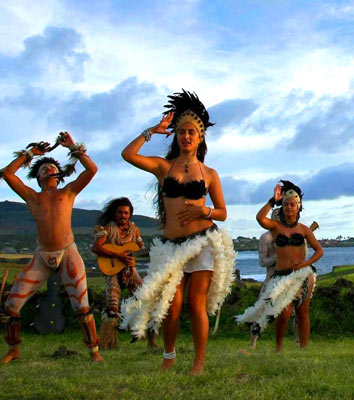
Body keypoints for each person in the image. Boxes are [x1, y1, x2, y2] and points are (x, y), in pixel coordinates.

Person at [120, 90, 235, 375]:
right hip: (172, 247)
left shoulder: (209, 174)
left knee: (196, 303)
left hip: (202, 243)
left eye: (191, 132)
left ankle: (199, 362)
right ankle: (168, 355)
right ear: (176, 136)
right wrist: (152, 131)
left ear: (200, 137)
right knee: (171, 304)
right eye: (181, 132)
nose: (186, 137)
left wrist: (202, 211)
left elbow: (222, 211)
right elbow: (127, 154)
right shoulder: (163, 167)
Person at [0, 132, 103, 363]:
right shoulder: (31, 196)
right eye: (42, 168)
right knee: (12, 304)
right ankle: (13, 349)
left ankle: (94, 351)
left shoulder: (68, 192)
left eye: (51, 167)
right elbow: (7, 174)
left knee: (82, 306)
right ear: (37, 176)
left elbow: (92, 170)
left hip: (68, 251)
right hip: (41, 254)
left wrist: (73, 147)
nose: (47, 169)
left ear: (59, 176)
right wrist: (30, 154)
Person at [237, 180, 324, 353]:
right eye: (285, 204)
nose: (289, 207)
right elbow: (260, 218)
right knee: (282, 313)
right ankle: (278, 347)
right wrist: (272, 201)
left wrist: (305, 264)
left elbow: (319, 251)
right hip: (280, 275)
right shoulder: (276, 227)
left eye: (292, 204)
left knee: (302, 312)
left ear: (298, 207)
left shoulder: (304, 230)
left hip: (302, 275)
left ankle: (304, 348)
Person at [92, 197, 158, 350]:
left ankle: (151, 340)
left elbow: (141, 249)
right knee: (112, 307)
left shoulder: (134, 230)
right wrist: (118, 255)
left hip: (130, 271)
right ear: (114, 214)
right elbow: (96, 248)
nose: (123, 216)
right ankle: (108, 343)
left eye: (126, 213)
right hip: (113, 271)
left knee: (147, 299)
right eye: (120, 212)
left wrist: (155, 251)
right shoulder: (107, 229)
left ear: (130, 214)